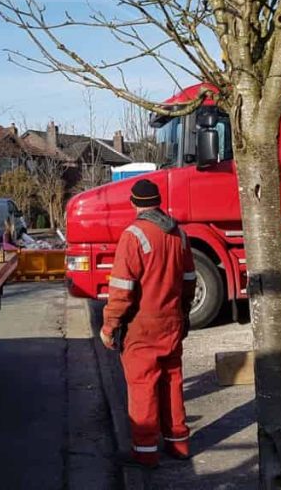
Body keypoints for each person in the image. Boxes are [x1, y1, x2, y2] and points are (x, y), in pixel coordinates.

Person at [100, 178, 196, 467]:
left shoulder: (133, 235)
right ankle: (179, 444)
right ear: (158, 202)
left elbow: (122, 289)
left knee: (142, 386)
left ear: (133, 204)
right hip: (171, 320)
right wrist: (184, 311)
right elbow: (189, 280)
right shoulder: (179, 233)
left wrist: (109, 326)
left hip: (141, 325)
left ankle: (145, 453)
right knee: (171, 380)